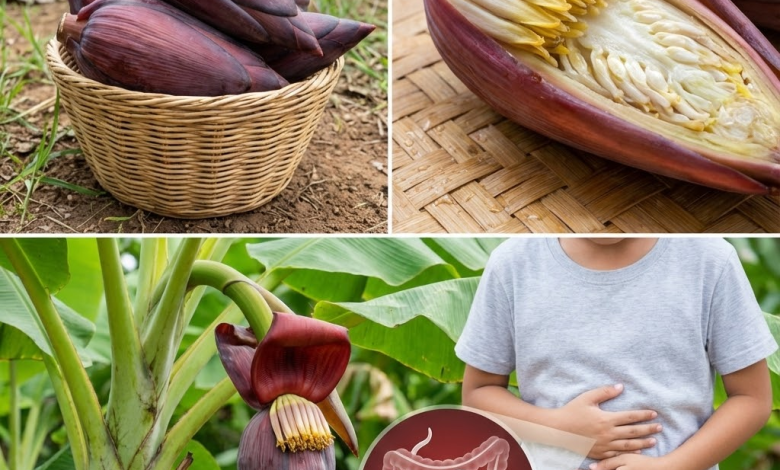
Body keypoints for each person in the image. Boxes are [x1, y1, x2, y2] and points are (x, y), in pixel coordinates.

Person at [455, 238, 776, 470]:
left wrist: (672, 467)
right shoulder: (513, 263)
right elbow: (478, 393)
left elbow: (752, 399)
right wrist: (559, 428)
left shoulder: (710, 260)